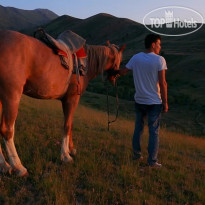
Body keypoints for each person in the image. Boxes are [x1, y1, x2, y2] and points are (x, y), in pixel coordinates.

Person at [117, 34, 168, 167]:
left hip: (139, 100)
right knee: (154, 132)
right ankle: (152, 161)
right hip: (154, 102)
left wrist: (113, 71)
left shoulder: (136, 57)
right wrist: (165, 102)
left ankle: (137, 155)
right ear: (153, 44)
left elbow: (123, 72)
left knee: (138, 128)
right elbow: (162, 83)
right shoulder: (159, 60)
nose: (160, 47)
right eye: (159, 44)